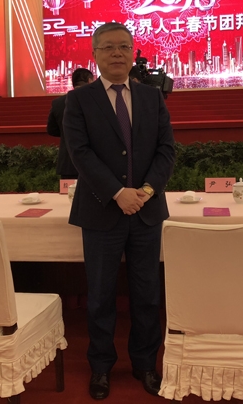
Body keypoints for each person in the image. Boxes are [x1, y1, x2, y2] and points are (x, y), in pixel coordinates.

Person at [63, 22, 175, 400]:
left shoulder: (151, 97)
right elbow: (80, 153)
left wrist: (144, 192)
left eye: (124, 47)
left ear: (132, 53)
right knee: (100, 296)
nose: (117, 54)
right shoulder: (79, 100)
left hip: (146, 211)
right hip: (100, 212)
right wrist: (116, 193)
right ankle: (100, 367)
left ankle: (145, 364)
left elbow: (166, 151)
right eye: (108, 47)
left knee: (147, 294)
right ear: (95, 55)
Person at [47, 68, 94, 179]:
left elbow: (51, 130)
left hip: (68, 164)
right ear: (89, 81)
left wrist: (68, 133)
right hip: (93, 164)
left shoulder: (58, 103)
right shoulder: (95, 101)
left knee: (68, 191)